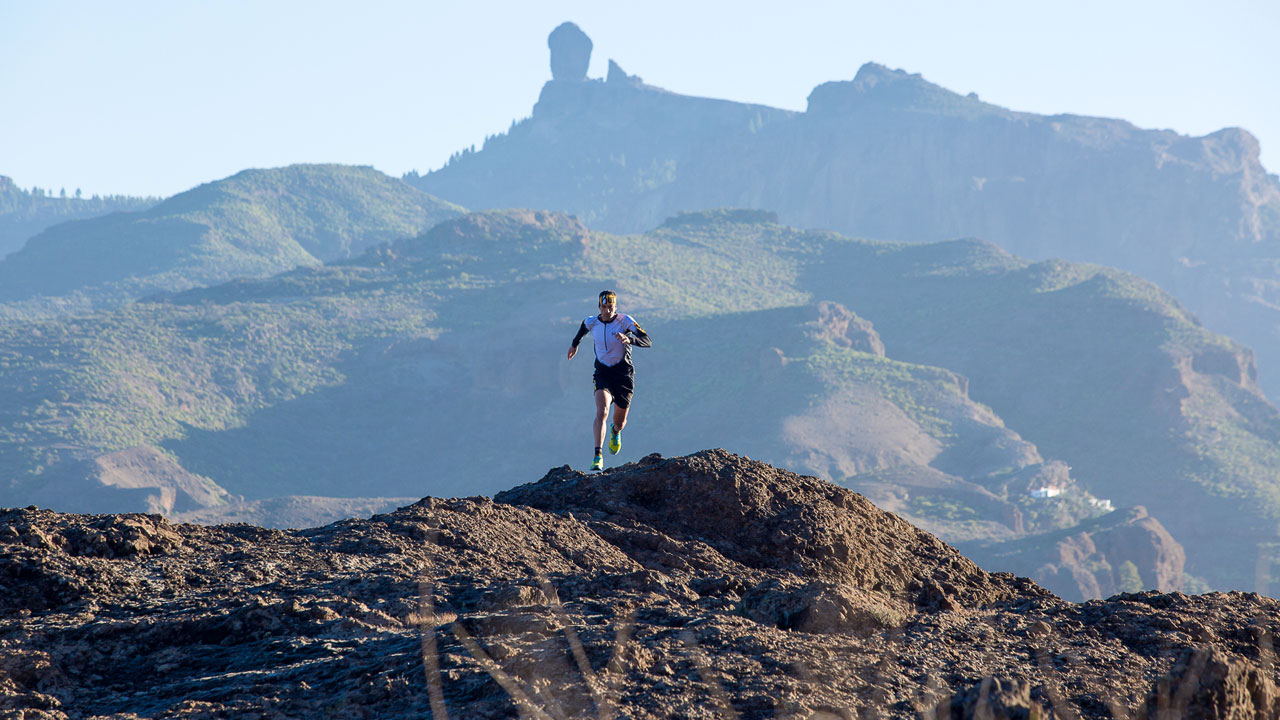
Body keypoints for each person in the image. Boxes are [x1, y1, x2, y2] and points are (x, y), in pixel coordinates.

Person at [567, 290, 651, 471]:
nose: (607, 311)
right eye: (604, 307)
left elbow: (647, 340)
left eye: (611, 307)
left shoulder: (625, 320)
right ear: (599, 307)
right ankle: (598, 455)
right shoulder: (592, 321)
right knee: (602, 409)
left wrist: (628, 339)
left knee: (620, 422)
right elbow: (582, 330)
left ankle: (615, 432)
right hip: (603, 372)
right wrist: (574, 345)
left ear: (616, 307)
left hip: (623, 375)